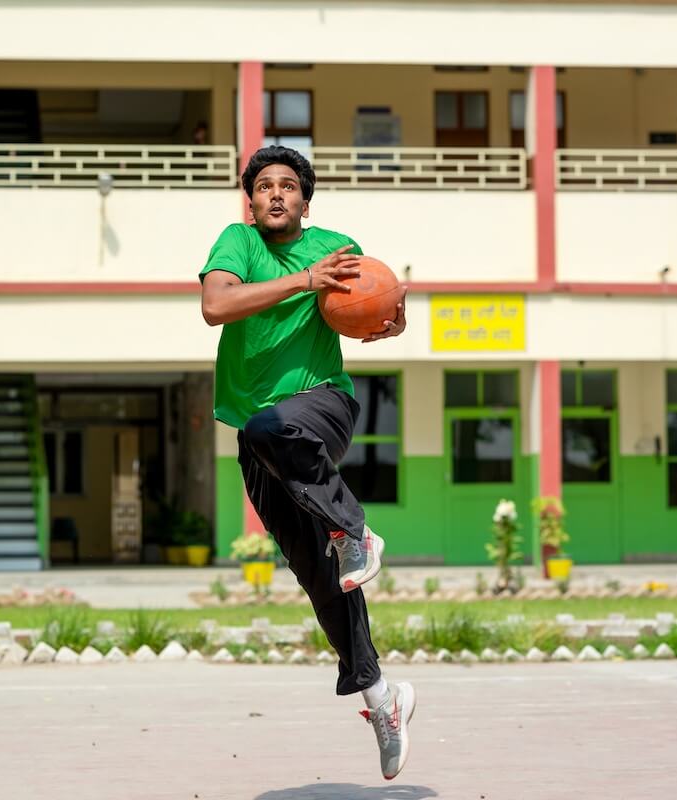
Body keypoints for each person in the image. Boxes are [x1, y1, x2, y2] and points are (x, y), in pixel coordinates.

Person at [199, 145, 413, 780]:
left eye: (287, 186)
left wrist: (389, 319)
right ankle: (382, 699)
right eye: (263, 186)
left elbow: (371, 304)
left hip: (320, 405)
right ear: (251, 200)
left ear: (304, 201)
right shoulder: (237, 243)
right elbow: (217, 307)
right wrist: (304, 280)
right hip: (261, 440)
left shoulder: (337, 244)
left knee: (273, 424)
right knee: (324, 580)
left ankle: (355, 528)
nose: (274, 195)